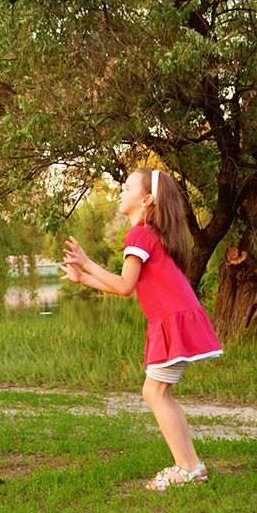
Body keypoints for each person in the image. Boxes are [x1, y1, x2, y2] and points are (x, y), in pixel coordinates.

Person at [60, 167, 223, 491]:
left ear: (147, 199)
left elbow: (123, 286)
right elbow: (128, 287)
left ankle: (186, 468)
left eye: (128, 186)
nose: (122, 190)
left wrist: (89, 263)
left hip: (171, 323)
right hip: (175, 321)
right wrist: (84, 278)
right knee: (159, 393)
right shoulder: (148, 234)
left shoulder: (139, 234)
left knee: (155, 392)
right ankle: (193, 466)